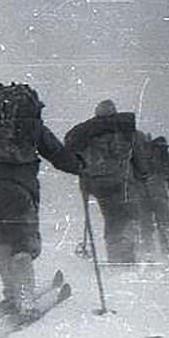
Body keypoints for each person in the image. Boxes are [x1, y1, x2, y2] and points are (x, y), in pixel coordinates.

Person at [0, 83, 82, 319]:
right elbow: (57, 154)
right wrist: (81, 166)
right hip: (19, 190)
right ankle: (25, 302)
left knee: (5, 238)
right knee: (23, 243)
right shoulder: (30, 126)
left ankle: (11, 296)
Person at [64, 100, 147, 264]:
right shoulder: (127, 131)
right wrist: (142, 174)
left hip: (97, 184)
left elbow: (72, 155)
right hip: (121, 182)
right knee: (128, 216)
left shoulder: (86, 132)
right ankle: (125, 257)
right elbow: (138, 158)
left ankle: (115, 257)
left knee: (111, 218)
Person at [131, 131, 169, 259]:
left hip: (140, 193)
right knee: (163, 220)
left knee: (145, 223)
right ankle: (165, 248)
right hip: (158, 192)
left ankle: (148, 250)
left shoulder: (131, 155)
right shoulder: (159, 153)